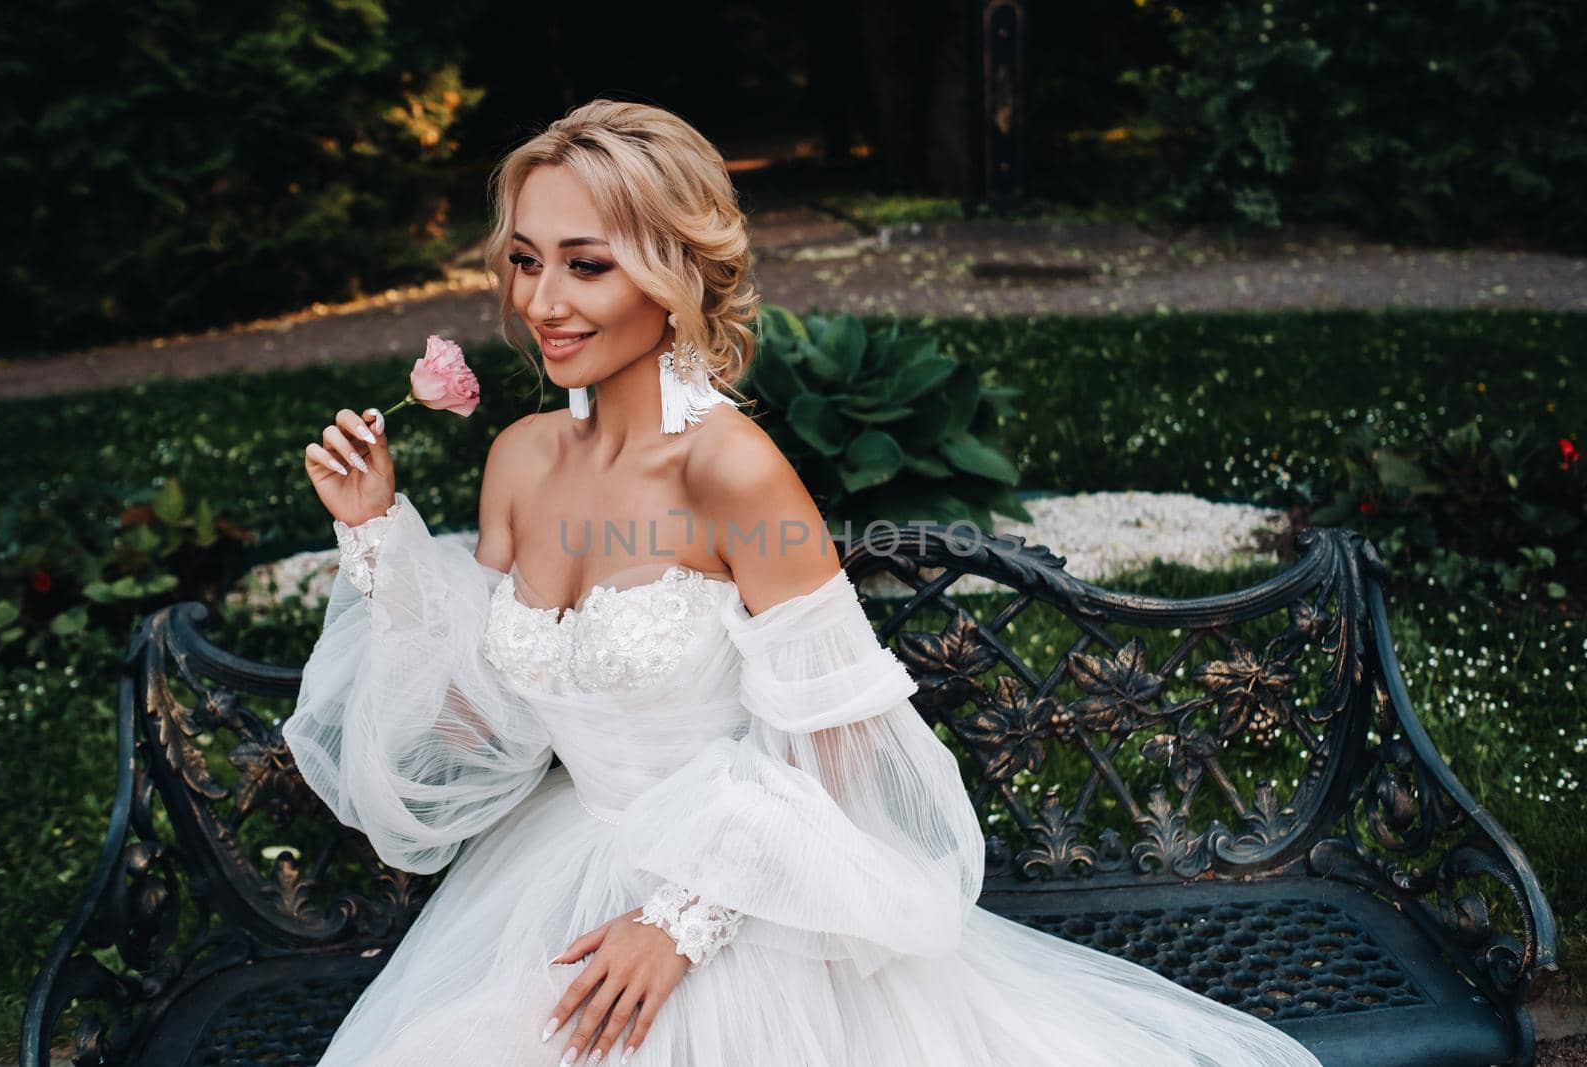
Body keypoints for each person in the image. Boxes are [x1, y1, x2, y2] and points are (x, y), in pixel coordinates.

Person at [285, 99, 1325, 1067]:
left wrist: (680, 921)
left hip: (744, 899)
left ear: (671, 272)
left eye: (585, 265)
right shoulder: (518, 455)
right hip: (552, 880)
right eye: (523, 260)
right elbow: (479, 738)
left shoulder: (731, 471)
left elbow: (844, 751)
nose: (541, 302)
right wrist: (376, 532)